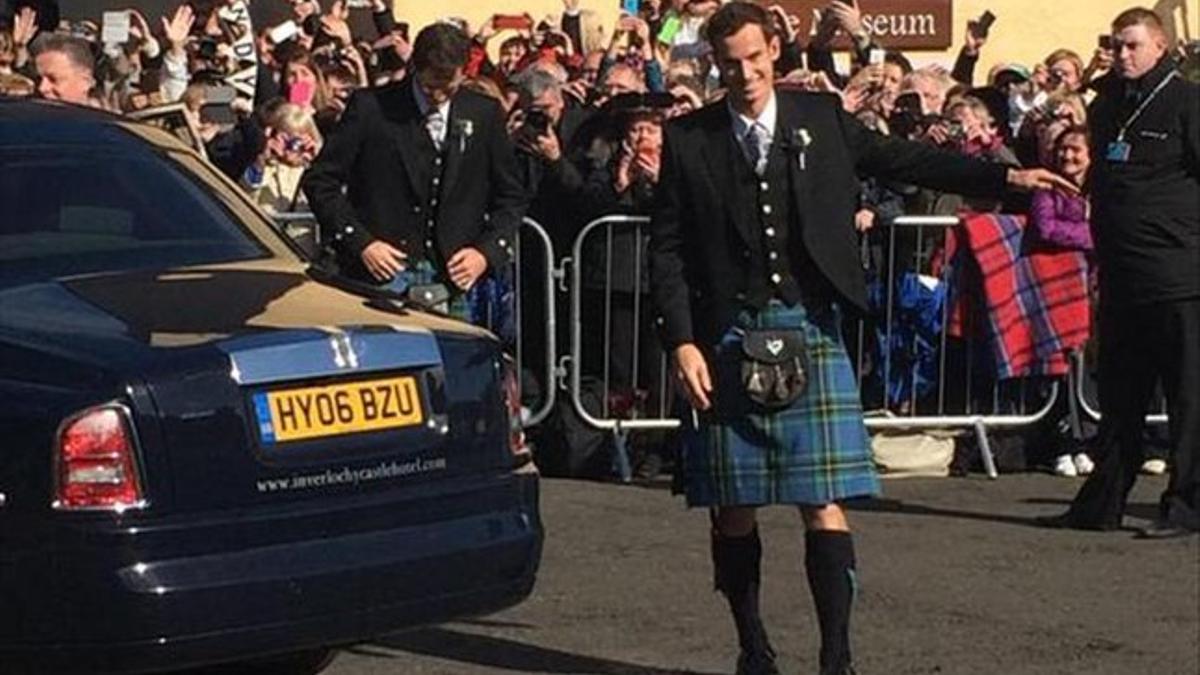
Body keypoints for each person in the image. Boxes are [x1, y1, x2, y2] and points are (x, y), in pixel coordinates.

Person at [649, 4, 1074, 674]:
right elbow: (666, 251)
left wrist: (1006, 177)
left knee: (823, 500)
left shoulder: (820, 119)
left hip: (809, 324)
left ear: (775, 51)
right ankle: (752, 645)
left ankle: (836, 657)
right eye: (730, 62)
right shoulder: (691, 138)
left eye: (755, 58)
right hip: (729, 332)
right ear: (714, 64)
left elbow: (910, 156)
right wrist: (682, 341)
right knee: (734, 507)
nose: (745, 72)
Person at [1041, 7, 1199, 538]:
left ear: (1160, 47)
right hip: (1121, 273)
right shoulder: (1106, 105)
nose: (1123, 54)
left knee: (1187, 396)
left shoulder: (1187, 101)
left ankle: (1185, 505)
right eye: (1117, 45)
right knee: (1120, 396)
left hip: (1179, 275)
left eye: (1133, 45)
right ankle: (1101, 503)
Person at [302, 22, 527, 332]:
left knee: (452, 371)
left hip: (454, 274)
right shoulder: (371, 107)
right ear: (415, 68)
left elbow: (512, 196)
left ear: (464, 72)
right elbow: (320, 181)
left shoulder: (484, 112)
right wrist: (362, 242)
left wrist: (485, 252)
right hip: (381, 273)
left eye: (448, 87)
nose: (437, 96)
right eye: (429, 86)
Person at [29, 32, 94, 105]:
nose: (42, 88)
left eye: (53, 79)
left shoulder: (102, 116)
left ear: (85, 82)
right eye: (38, 79)